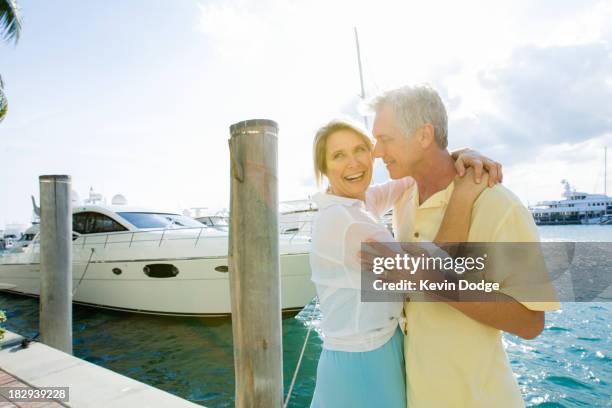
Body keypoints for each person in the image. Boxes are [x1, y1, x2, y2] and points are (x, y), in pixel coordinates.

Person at [365, 84, 560, 407]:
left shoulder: (499, 205)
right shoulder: (404, 199)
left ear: (424, 135)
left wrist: (441, 283)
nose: (376, 151)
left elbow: (531, 322)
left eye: (385, 139)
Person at [308, 119, 500, 408]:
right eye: (338, 156)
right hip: (362, 362)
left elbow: (404, 182)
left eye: (360, 149)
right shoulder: (345, 221)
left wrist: (458, 155)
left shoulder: (358, 203)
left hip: (380, 347)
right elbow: (434, 271)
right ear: (324, 169)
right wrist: (464, 192)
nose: (353, 162)